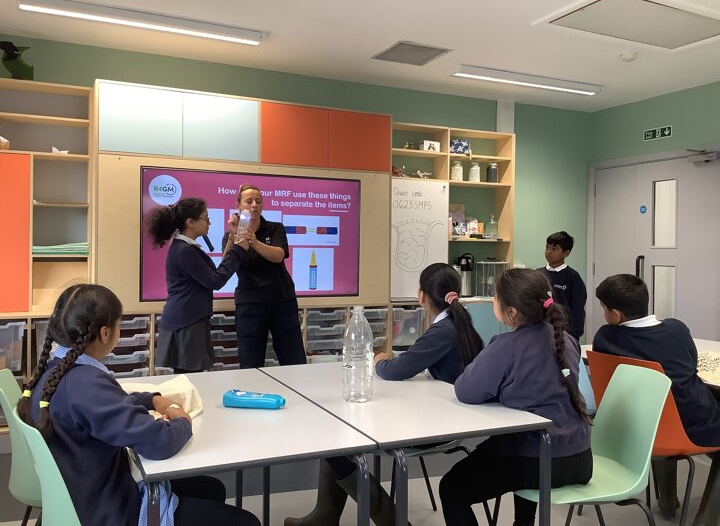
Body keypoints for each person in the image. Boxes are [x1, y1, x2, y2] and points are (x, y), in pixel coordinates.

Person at [17, 284, 259, 526]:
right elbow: (160, 442)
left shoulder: (55, 373)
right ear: (105, 333)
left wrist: (151, 398)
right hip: (112, 511)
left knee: (211, 488)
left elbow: (106, 407)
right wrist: (182, 419)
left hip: (83, 498)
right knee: (246, 521)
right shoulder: (86, 383)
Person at [285, 262, 484, 526]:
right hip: (443, 414)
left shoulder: (442, 331)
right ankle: (324, 517)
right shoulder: (456, 323)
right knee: (339, 438)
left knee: (337, 442)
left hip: (436, 426)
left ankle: (390, 521)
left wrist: (379, 360)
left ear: (422, 295)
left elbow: (394, 371)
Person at [439, 268, 592, 526]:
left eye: (495, 297)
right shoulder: (566, 340)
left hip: (534, 461)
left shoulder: (506, 345)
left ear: (511, 312)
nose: (493, 301)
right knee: (521, 449)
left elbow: (466, 390)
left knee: (452, 488)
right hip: (579, 458)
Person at [593, 274, 720, 526]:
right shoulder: (676, 329)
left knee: (662, 408)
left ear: (615, 315)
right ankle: (706, 521)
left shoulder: (605, 338)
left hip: (642, 428)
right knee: (682, 403)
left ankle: (667, 501)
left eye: (603, 309)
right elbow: (691, 365)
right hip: (693, 427)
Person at [148, 197, 243, 374]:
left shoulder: (185, 247)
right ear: (190, 222)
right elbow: (215, 280)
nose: (209, 223)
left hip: (187, 318)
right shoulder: (185, 251)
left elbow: (216, 273)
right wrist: (239, 250)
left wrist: (233, 239)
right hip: (187, 321)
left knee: (189, 375)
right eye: (206, 218)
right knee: (190, 377)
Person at [222, 184, 306, 368]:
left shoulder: (275, 228)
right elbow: (227, 265)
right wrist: (233, 236)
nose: (254, 205)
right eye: (249, 201)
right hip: (250, 302)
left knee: (293, 358)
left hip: (281, 300)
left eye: (258, 201)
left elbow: (278, 256)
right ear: (238, 205)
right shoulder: (232, 235)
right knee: (250, 360)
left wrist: (254, 241)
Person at [537, 231, 587, 341]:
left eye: (554, 249)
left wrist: (574, 336)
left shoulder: (573, 277)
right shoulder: (537, 274)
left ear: (566, 253)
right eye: (547, 247)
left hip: (564, 334)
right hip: (540, 332)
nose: (548, 252)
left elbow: (578, 309)